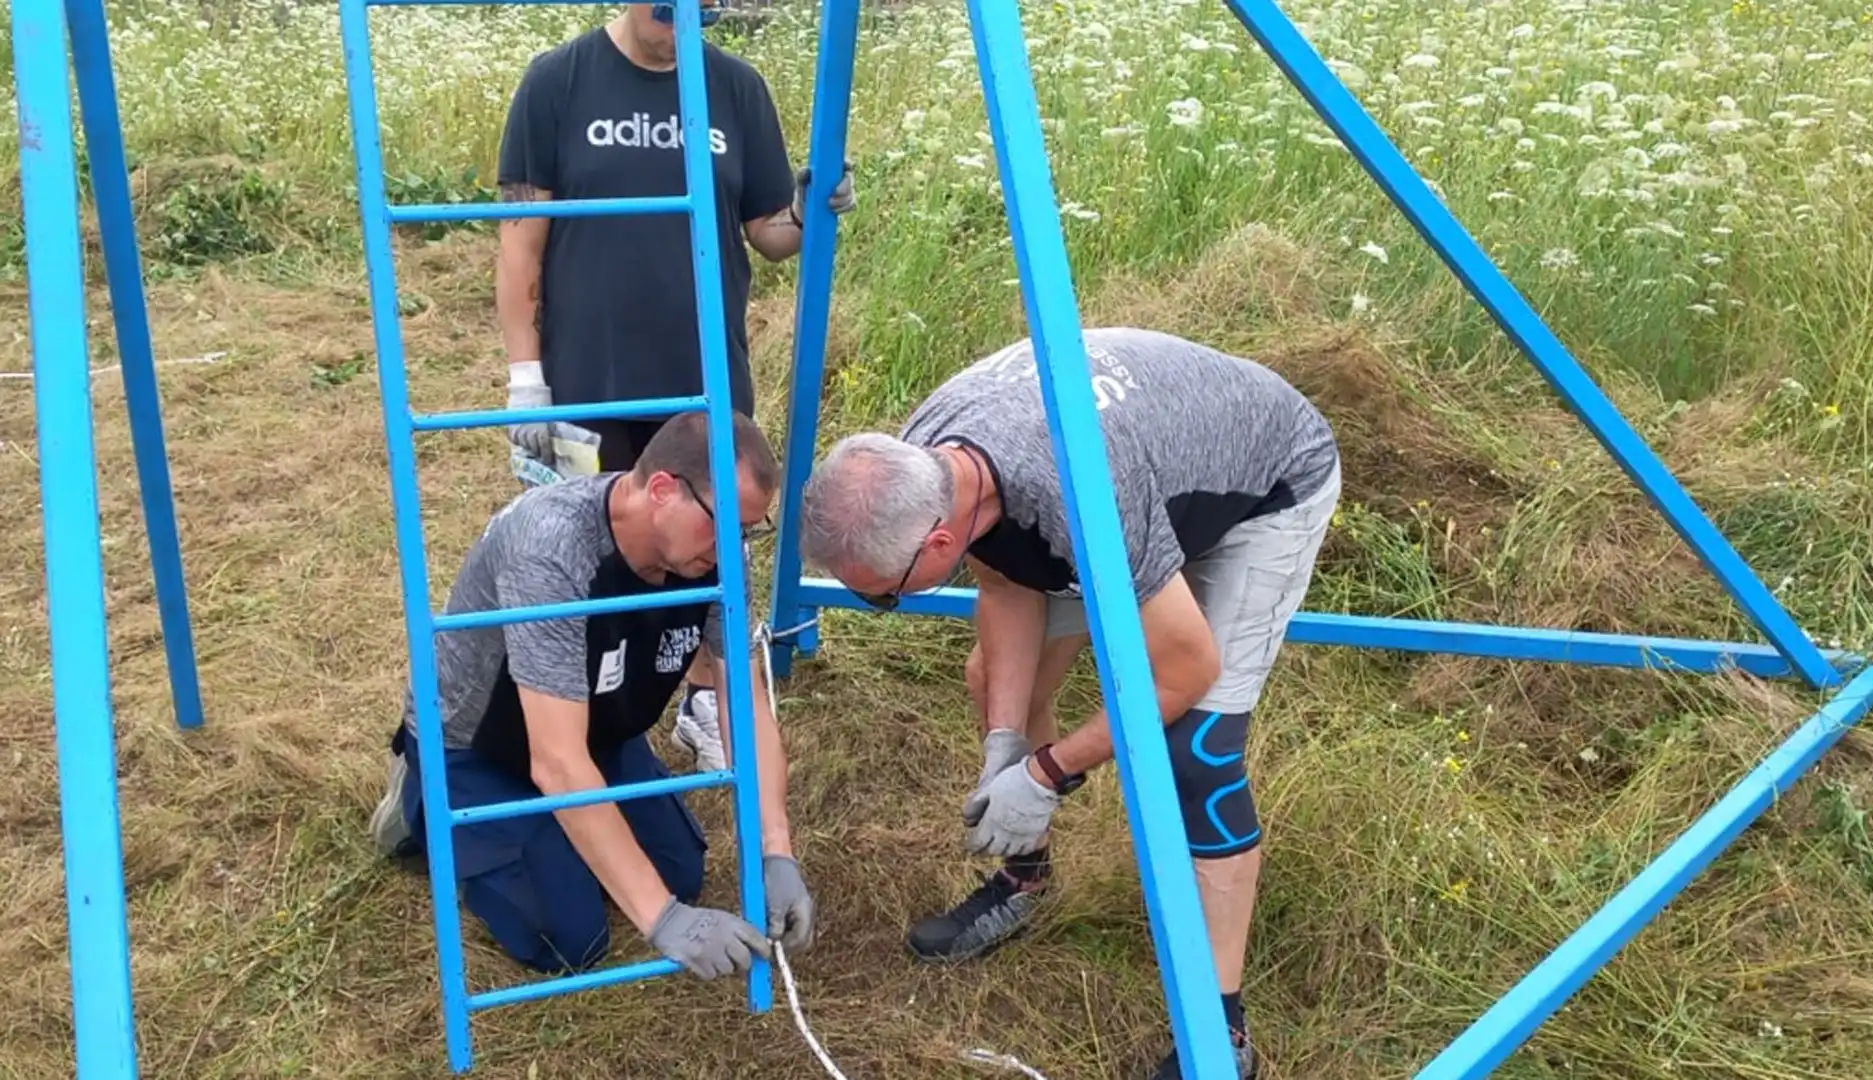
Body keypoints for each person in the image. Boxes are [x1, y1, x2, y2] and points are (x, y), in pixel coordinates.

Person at [795, 327, 1342, 1079]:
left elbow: (1183, 669)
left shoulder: (1081, 497)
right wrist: (1004, 746)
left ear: (937, 540)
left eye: (884, 594)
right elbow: (1006, 577)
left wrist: (1046, 772)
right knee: (995, 686)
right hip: (1140, 477)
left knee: (1196, 750)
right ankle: (1025, 881)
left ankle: (1222, 1033)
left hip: (1261, 485)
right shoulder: (927, 460)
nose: (882, 603)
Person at [493, 0, 855, 774]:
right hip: (592, 380)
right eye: (666, 8)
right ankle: (576, 714)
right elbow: (520, 245)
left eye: (702, 10)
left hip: (702, 377)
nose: (682, 22)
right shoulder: (558, 81)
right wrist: (527, 377)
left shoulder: (734, 88)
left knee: (709, 545)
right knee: (593, 546)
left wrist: (809, 207)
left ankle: (702, 697)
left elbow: (770, 234)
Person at [369, 409, 816, 980]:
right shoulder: (551, 551)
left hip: (597, 728)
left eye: (750, 531)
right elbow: (555, 762)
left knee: (680, 872)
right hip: (482, 746)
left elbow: (743, 700)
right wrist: (665, 921)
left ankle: (560, 831)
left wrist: (777, 848)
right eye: (726, 526)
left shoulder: (716, 551)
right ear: (661, 490)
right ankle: (423, 801)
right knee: (570, 939)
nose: (736, 548)